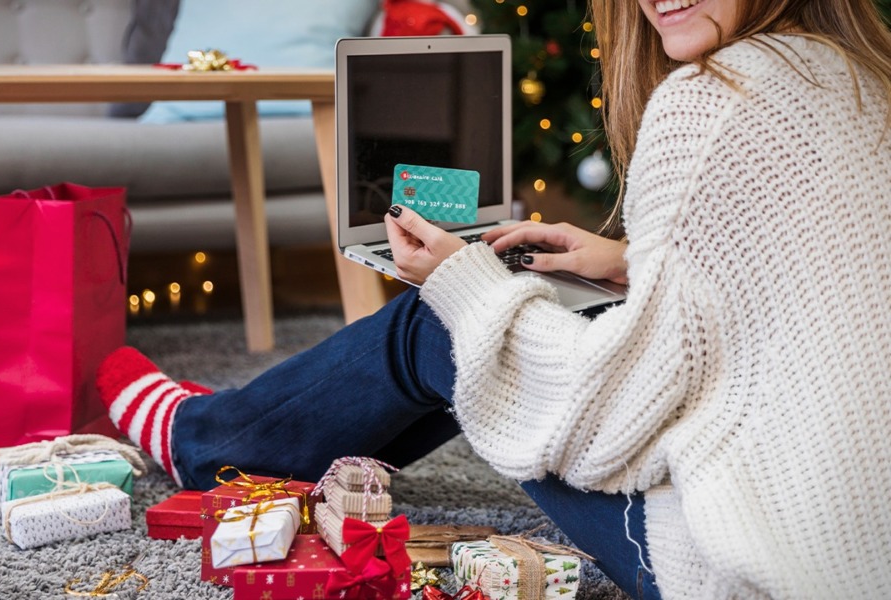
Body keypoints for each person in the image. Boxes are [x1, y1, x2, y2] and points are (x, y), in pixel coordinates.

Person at [95, 0, 891, 598]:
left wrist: (460, 283)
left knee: (448, 321)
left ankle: (201, 438)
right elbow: (790, 316)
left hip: (733, 569)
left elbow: (610, 420)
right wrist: (635, 264)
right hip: (857, 548)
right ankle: (262, 439)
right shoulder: (856, 78)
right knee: (522, 295)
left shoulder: (711, 97)